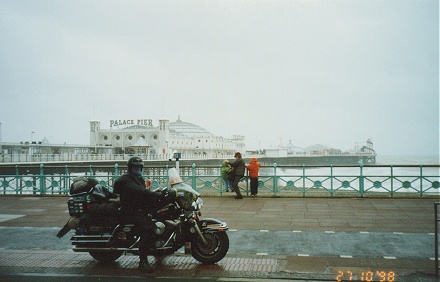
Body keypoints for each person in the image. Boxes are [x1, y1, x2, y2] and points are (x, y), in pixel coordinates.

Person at [113, 156, 162, 273]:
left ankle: (159, 250)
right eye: (135, 167)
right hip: (129, 211)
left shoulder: (138, 178)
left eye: (139, 167)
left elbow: (142, 193)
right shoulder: (126, 180)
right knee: (147, 229)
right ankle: (143, 261)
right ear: (130, 168)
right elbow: (138, 190)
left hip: (138, 209)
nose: (138, 169)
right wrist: (152, 194)